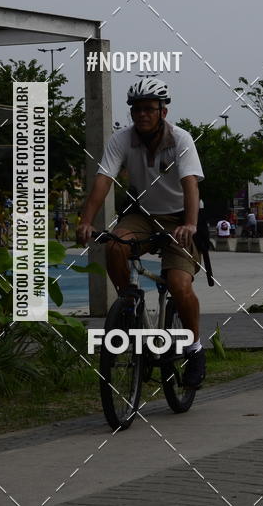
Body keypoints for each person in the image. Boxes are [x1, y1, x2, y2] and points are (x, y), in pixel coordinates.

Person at [76, 77, 206, 389]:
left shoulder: (181, 139)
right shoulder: (121, 139)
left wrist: (189, 225)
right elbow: (103, 180)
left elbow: (191, 184)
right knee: (116, 244)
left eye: (149, 108)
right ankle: (129, 303)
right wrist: (85, 221)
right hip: (143, 215)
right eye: (136, 109)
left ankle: (194, 348)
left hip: (179, 218)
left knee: (178, 283)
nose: (142, 114)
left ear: (163, 111)